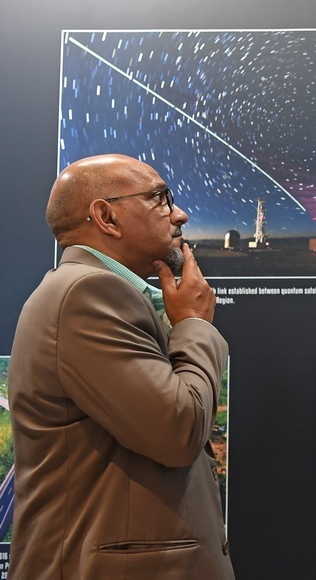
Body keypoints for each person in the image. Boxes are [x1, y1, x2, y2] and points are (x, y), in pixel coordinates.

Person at [9, 154, 233, 579]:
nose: (180, 215)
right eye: (161, 199)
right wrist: (194, 324)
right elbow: (179, 430)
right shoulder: (87, 294)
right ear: (107, 217)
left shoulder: (89, 290)